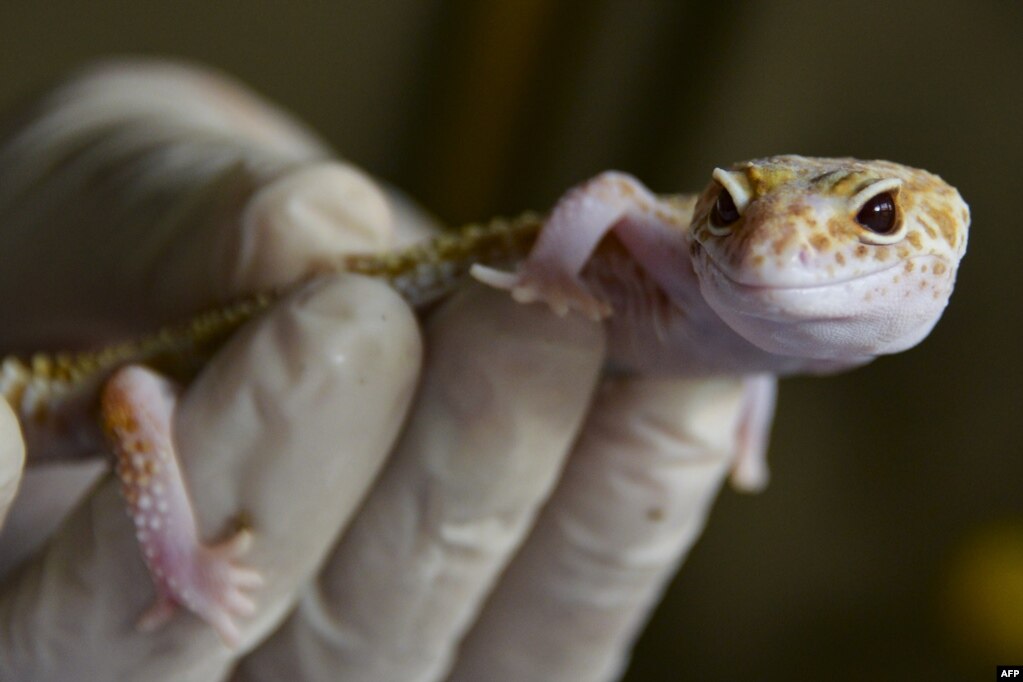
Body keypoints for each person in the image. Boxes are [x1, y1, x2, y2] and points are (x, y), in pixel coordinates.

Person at [0, 60, 746, 681]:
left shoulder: (733, 326)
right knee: (141, 392)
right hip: (152, 369)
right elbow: (129, 395)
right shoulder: (676, 251)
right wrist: (182, 566)